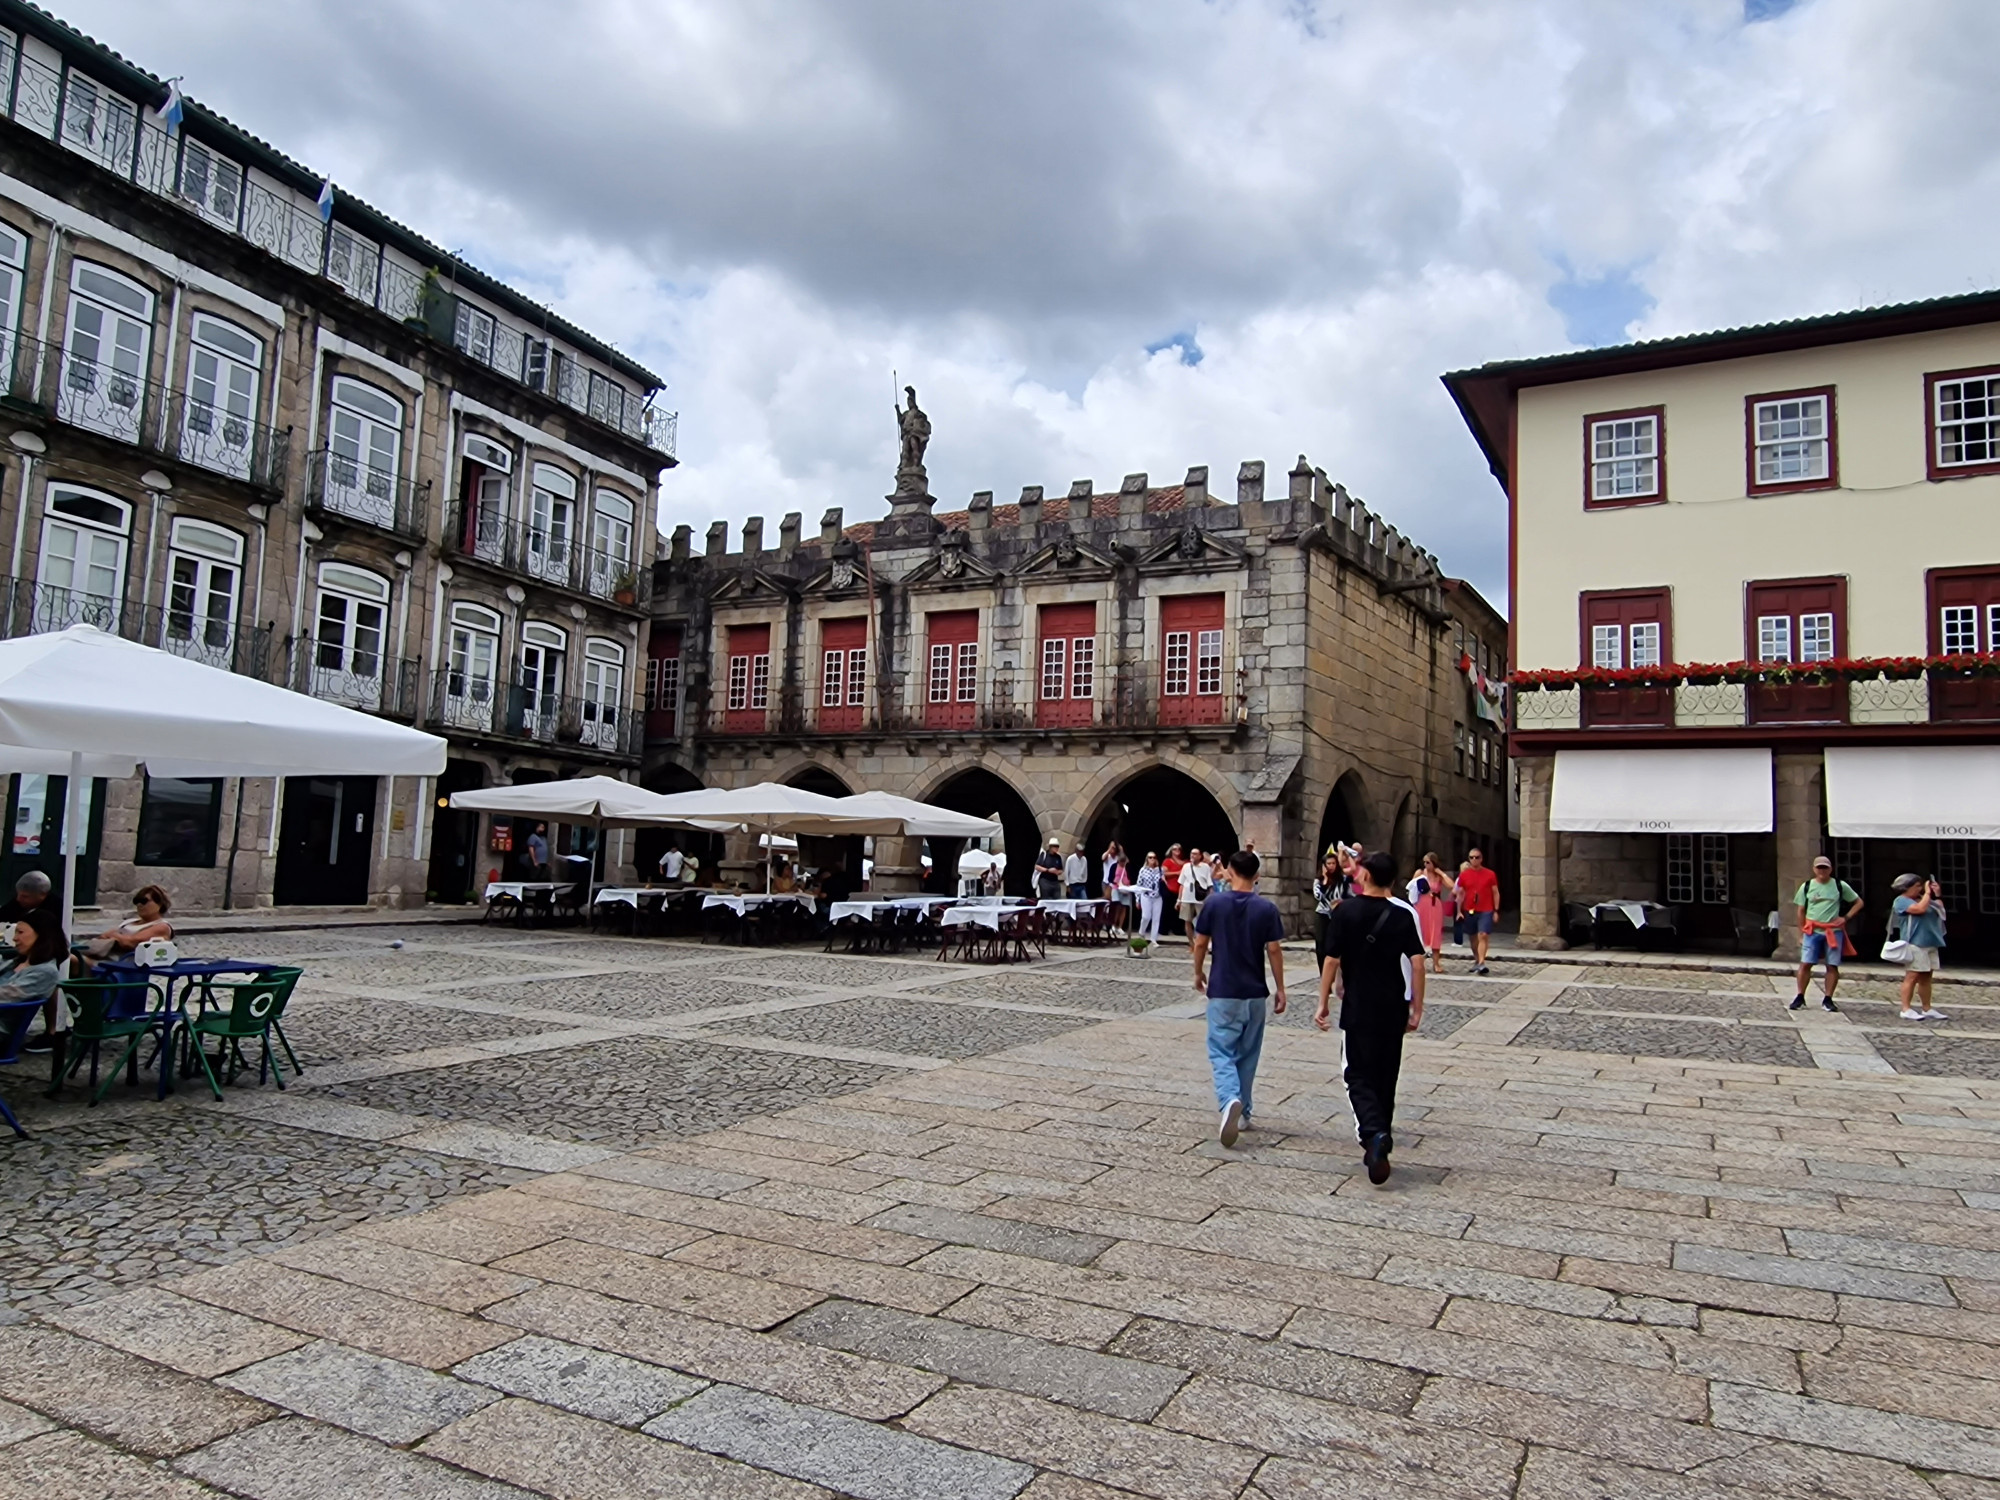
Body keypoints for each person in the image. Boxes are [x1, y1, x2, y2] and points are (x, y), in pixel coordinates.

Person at [1315, 850, 1427, 1185]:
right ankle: (1380, 1140)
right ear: (1392, 880)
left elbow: (1331, 960)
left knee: (1356, 1074)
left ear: (1364, 876)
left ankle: (1374, 1132)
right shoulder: (1402, 916)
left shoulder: (1345, 912)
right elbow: (1418, 963)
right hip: (1392, 1004)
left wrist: (1322, 1002)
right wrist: (1417, 1006)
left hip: (1359, 1005)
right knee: (1386, 1074)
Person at [1192, 849, 1286, 1147]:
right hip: (1254, 992)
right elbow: (1273, 949)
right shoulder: (1266, 908)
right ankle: (1243, 1110)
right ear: (1257, 876)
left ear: (1229, 871)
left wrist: (1198, 972)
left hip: (1223, 989)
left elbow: (1201, 942)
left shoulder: (1215, 903)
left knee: (1221, 1051)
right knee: (1248, 1054)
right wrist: (1281, 988)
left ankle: (1229, 1098)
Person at [1, 907, 70, 1082]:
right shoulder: (17, 962)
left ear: (41, 935)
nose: (15, 938)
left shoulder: (43, 972)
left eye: (21, 932)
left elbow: (5, 995)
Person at [1792, 854, 1860, 1012]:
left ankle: (1828, 998)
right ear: (1814, 869)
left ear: (1831, 869)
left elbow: (1858, 902)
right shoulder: (1807, 886)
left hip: (1833, 930)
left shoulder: (1839, 885)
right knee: (1806, 963)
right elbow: (1800, 911)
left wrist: (1846, 917)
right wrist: (1800, 933)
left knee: (1832, 965)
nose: (1822, 870)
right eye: (1819, 867)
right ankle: (1800, 996)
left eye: (1825, 867)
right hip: (1812, 929)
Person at [1890, 872, 1947, 1021]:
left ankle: (1927, 1008)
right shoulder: (1901, 901)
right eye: (1917, 886)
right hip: (1915, 942)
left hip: (1931, 941)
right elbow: (1919, 909)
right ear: (1906, 887)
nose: (1920, 889)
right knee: (1912, 975)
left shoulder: (1923, 898)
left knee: (1927, 976)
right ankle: (1906, 1008)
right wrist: (1928, 893)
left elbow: (1940, 911)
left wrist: (1937, 895)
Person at [86, 886, 174, 961]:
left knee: (74, 960)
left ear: (159, 904)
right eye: (137, 901)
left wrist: (114, 935)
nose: (139, 905)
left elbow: (129, 942)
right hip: (104, 957)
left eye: (144, 901)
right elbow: (104, 936)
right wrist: (116, 937)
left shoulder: (162, 926)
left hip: (122, 964)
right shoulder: (129, 922)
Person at [1455, 848, 1500, 974]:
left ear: (1481, 858)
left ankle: (1481, 962)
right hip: (1469, 909)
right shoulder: (1464, 875)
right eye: (1471, 857)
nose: (1474, 860)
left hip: (1486, 909)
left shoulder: (1490, 874)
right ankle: (1477, 960)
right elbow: (1460, 893)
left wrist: (1496, 910)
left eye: (1477, 857)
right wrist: (1458, 911)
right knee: (1473, 937)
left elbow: (1495, 892)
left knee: (1483, 935)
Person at [1408, 853, 1454, 974]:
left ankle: (1436, 963)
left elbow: (1452, 886)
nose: (1425, 865)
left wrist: (1441, 873)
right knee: (1420, 931)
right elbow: (1411, 888)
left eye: (1428, 862)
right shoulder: (1420, 873)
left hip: (1434, 904)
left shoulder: (1438, 876)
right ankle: (1417, 961)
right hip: (1421, 904)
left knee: (1436, 933)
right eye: (1424, 862)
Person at [1134, 851, 1166, 946]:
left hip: (1157, 896)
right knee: (1146, 916)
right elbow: (1138, 885)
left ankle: (1153, 939)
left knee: (1156, 918)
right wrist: (1137, 899)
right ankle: (1141, 933)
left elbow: (1163, 883)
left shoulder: (1160, 870)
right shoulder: (1143, 870)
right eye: (1150, 857)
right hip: (1146, 895)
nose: (1152, 859)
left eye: (1154, 857)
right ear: (1147, 859)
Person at [1178, 848, 1208, 932]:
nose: (1192, 855)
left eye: (1195, 854)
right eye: (1191, 853)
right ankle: (1192, 943)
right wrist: (1179, 899)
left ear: (1199, 856)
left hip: (1200, 899)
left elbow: (1209, 884)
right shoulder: (1186, 866)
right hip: (1186, 898)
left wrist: (1209, 899)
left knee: (1202, 920)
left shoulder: (1205, 867)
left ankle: (1200, 941)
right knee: (1187, 921)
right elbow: (1181, 884)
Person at [1162, 845, 1185, 934]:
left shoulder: (1185, 862)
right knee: (1168, 910)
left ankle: (1178, 930)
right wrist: (1177, 873)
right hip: (1169, 889)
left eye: (1179, 849)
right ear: (1171, 851)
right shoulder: (1167, 861)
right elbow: (1164, 873)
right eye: (1175, 849)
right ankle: (1164, 930)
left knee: (1179, 911)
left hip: (1181, 890)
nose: (1177, 850)